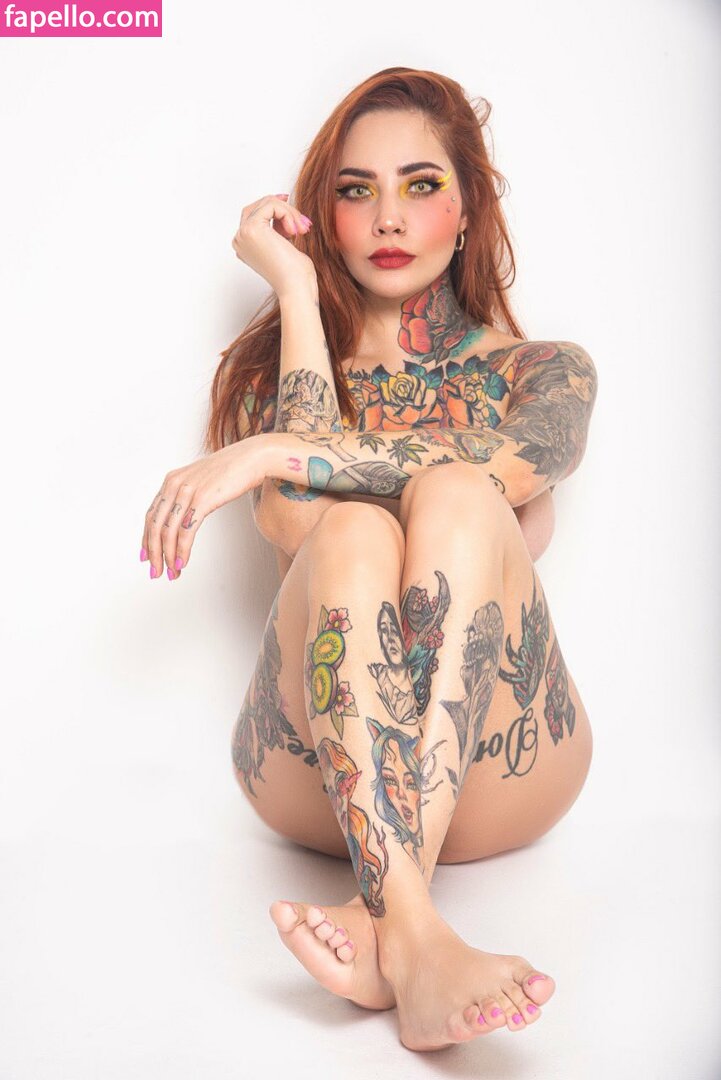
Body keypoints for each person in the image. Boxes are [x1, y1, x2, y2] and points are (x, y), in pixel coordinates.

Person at [139, 67, 598, 1053]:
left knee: (460, 492)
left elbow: (511, 463)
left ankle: (382, 918)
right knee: (347, 529)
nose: (387, 216)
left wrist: (269, 453)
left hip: (502, 778)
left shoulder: (542, 374)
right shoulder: (279, 376)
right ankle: (419, 942)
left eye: (420, 185)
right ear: (326, 218)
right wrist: (297, 295)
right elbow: (297, 523)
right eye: (356, 191)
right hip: (311, 783)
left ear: (468, 211)